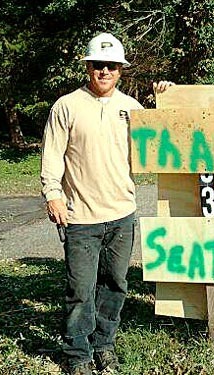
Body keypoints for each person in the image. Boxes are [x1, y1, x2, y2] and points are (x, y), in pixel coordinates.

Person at [40, 33, 173, 375]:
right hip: (80, 216)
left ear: (120, 70)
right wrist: (53, 193)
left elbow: (158, 146)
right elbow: (52, 154)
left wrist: (162, 105)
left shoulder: (131, 108)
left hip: (122, 214)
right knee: (80, 290)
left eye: (111, 66)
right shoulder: (66, 106)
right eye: (98, 65)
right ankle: (78, 353)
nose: (104, 71)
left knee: (115, 284)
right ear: (88, 67)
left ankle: (104, 344)